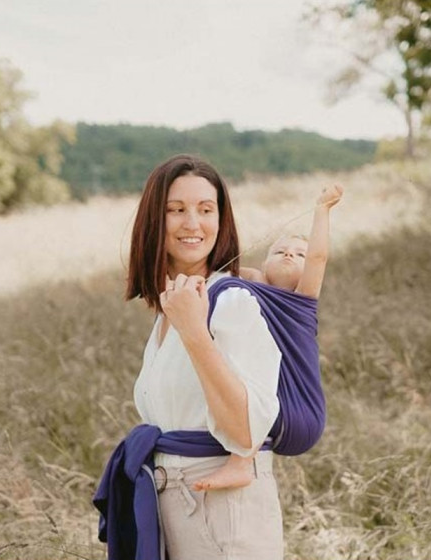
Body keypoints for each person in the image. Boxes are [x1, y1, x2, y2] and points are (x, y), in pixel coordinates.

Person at [94, 154, 285, 560]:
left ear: (222, 219)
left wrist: (196, 333)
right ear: (153, 220)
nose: (192, 224)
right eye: (176, 210)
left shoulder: (231, 300)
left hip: (225, 517)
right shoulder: (172, 309)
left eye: (205, 209)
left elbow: (246, 433)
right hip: (179, 510)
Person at [193, 184, 343, 491]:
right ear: (263, 264)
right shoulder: (249, 290)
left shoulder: (302, 300)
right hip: (272, 411)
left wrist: (322, 211)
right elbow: (220, 269)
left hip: (300, 411)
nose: (289, 253)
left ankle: (240, 463)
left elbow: (318, 257)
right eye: (279, 251)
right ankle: (237, 454)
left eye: (298, 254)